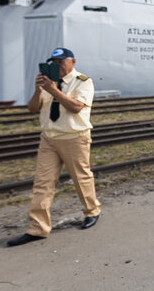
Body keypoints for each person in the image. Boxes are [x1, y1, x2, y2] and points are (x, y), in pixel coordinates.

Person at [7, 48, 101, 247]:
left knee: (81, 178)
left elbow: (76, 107)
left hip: (74, 137)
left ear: (72, 62)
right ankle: (37, 229)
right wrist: (38, 90)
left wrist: (53, 90)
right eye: (53, 62)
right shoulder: (47, 84)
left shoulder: (83, 82)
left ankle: (92, 211)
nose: (56, 66)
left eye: (61, 62)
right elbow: (32, 108)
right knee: (42, 183)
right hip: (49, 139)